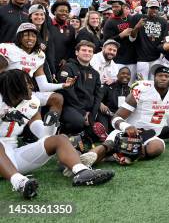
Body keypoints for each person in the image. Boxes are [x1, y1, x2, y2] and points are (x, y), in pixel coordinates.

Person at [0, 70, 114, 199]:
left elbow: (44, 135)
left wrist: (51, 123)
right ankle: (19, 182)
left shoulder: (32, 102)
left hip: (12, 155)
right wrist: (3, 116)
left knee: (60, 139)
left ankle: (81, 172)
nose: (32, 86)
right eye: (27, 83)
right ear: (14, 86)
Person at [81, 65, 169, 165]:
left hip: (150, 135)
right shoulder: (141, 89)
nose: (163, 78)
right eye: (160, 75)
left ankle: (121, 154)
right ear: (154, 77)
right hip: (128, 133)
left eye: (166, 76)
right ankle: (85, 160)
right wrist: (127, 127)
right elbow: (116, 117)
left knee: (157, 147)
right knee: (107, 146)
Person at [57, 41, 106, 142]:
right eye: (84, 50)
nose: (87, 53)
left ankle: (82, 135)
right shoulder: (68, 67)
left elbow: (98, 95)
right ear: (76, 52)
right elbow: (67, 92)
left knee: (101, 127)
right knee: (78, 122)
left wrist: (92, 113)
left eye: (90, 51)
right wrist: (83, 112)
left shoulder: (95, 73)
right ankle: (63, 131)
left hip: (89, 110)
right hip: (71, 107)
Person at [130, 0, 169, 80]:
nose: (154, 10)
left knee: (154, 84)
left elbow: (164, 40)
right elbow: (131, 38)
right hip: (142, 59)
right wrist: (137, 27)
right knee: (142, 83)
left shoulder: (163, 22)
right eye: (152, 8)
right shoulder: (138, 18)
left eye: (156, 8)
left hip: (156, 58)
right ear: (147, 8)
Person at [103, 0, 137, 82]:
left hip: (132, 60)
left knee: (130, 86)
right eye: (113, 6)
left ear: (123, 6)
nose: (114, 9)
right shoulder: (109, 22)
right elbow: (106, 41)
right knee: (116, 85)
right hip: (117, 60)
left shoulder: (131, 19)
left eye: (117, 6)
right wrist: (120, 35)